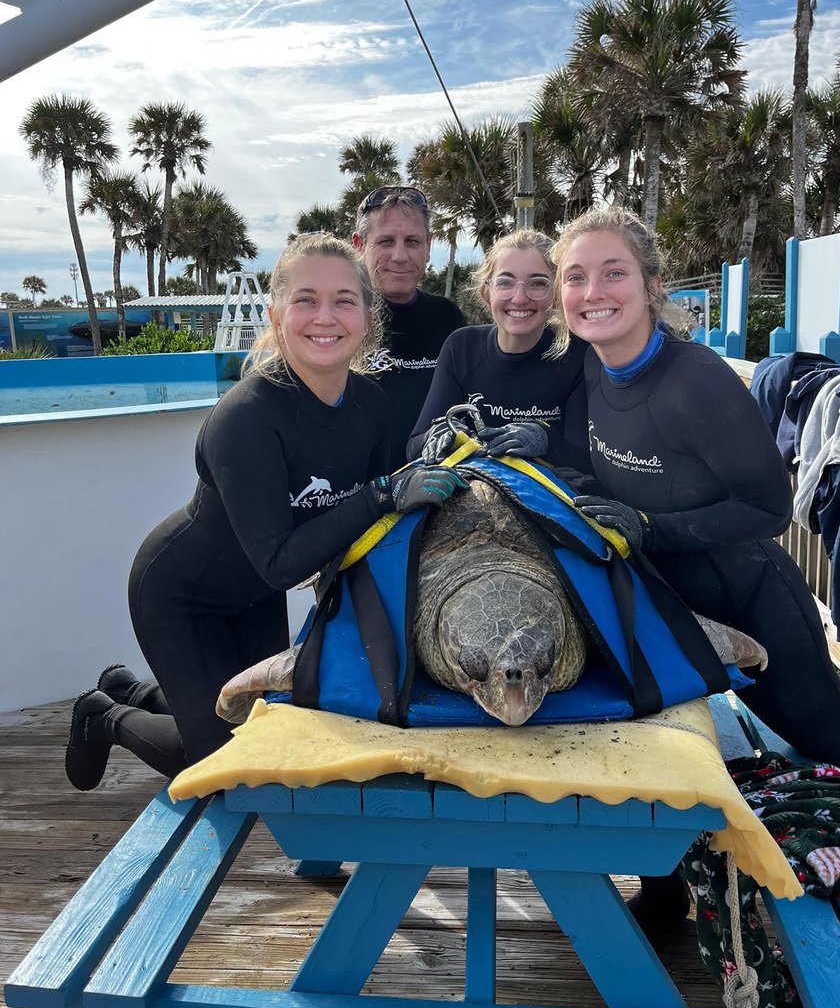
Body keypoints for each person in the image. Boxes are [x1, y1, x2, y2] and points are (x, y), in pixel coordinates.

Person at [551, 205, 840, 928]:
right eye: (577, 277)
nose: (595, 292)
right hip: (670, 608)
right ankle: (665, 887)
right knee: (661, 747)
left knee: (836, 747)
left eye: (614, 273)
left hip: (750, 603)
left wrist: (651, 527)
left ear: (651, 286)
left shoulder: (696, 378)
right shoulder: (590, 364)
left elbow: (770, 507)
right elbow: (597, 459)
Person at [65, 234, 467, 789]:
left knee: (268, 730)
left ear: (367, 317)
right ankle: (103, 715)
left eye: (344, 300)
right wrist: (381, 494)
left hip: (254, 599)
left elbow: (366, 532)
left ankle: (133, 688)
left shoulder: (371, 404)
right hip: (182, 596)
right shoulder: (248, 418)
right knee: (221, 763)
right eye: (306, 299)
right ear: (277, 315)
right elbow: (281, 561)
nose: (325, 317)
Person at [406, 229, 588, 466]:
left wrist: (547, 442)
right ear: (485, 293)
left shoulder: (577, 354)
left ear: (555, 294)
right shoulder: (461, 347)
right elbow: (413, 447)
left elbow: (589, 463)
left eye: (538, 283)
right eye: (505, 282)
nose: (520, 298)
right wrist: (438, 436)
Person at [352, 186, 467, 471]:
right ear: (359, 246)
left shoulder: (448, 317)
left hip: (439, 488)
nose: (400, 256)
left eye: (412, 242)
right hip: (362, 497)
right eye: (386, 241)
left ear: (428, 246)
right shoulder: (341, 321)